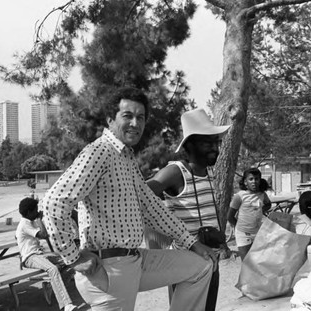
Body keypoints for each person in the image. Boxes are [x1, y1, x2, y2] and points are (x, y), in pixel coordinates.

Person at [41, 87, 215, 311]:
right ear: (110, 119)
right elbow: (54, 202)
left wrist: (192, 243)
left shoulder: (125, 156)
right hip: (109, 268)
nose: (135, 123)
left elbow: (152, 208)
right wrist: (72, 257)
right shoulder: (99, 152)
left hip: (135, 260)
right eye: (128, 116)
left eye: (140, 117)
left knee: (200, 266)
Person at [146, 108, 230, 311]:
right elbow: (144, 192)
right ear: (189, 145)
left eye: (216, 142)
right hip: (186, 264)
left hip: (211, 260)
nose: (214, 148)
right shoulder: (176, 172)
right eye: (206, 143)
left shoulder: (208, 173)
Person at [16, 198, 77, 311]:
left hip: (39, 255)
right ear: (29, 212)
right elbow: (44, 235)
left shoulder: (31, 222)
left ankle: (50, 287)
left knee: (71, 259)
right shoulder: (24, 224)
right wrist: (39, 219)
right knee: (53, 269)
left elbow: (47, 232)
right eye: (35, 210)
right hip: (30, 257)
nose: (38, 212)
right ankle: (66, 305)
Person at [227, 168, 271, 260]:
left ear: (260, 180)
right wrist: (239, 227)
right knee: (246, 263)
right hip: (243, 235)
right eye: (251, 179)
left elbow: (268, 204)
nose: (254, 181)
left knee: (258, 262)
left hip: (258, 233)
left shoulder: (262, 194)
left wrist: (261, 210)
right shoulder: (240, 196)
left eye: (256, 179)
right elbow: (230, 216)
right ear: (245, 182)